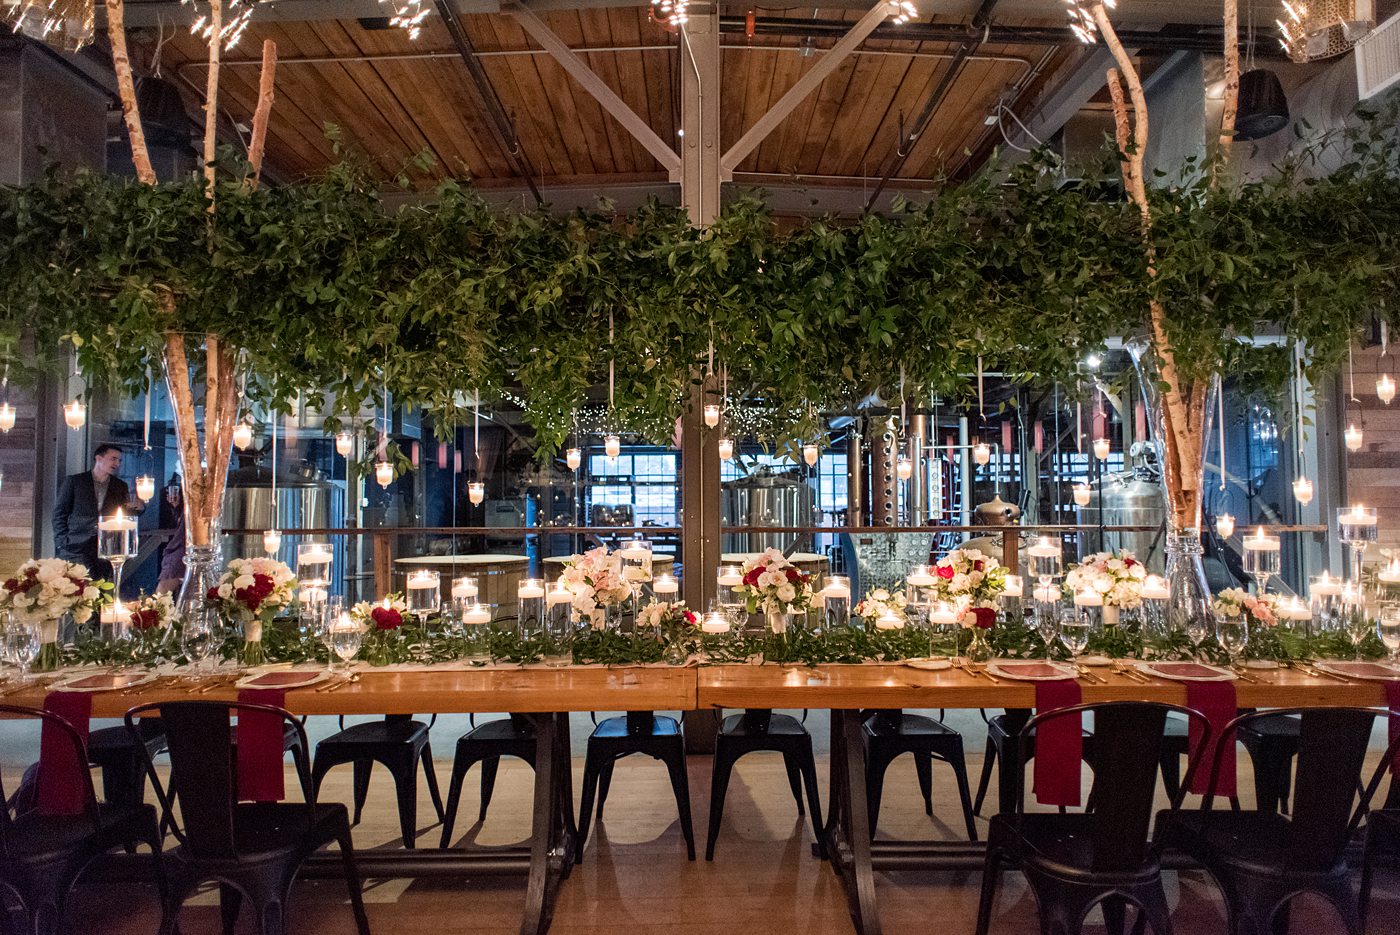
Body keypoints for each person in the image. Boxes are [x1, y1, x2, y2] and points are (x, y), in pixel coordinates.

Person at [53, 443, 132, 581]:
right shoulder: (75, 481)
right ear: (99, 458)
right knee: (76, 588)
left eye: (119, 460)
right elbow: (60, 513)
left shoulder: (120, 486)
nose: (117, 463)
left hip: (105, 547)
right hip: (76, 544)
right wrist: (62, 540)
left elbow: (125, 516)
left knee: (99, 589)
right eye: (113, 458)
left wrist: (140, 508)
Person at [156, 479, 186, 595]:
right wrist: (177, 506)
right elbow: (181, 520)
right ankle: (158, 609)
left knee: (165, 584)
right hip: (182, 542)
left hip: (185, 546)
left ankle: (157, 609)